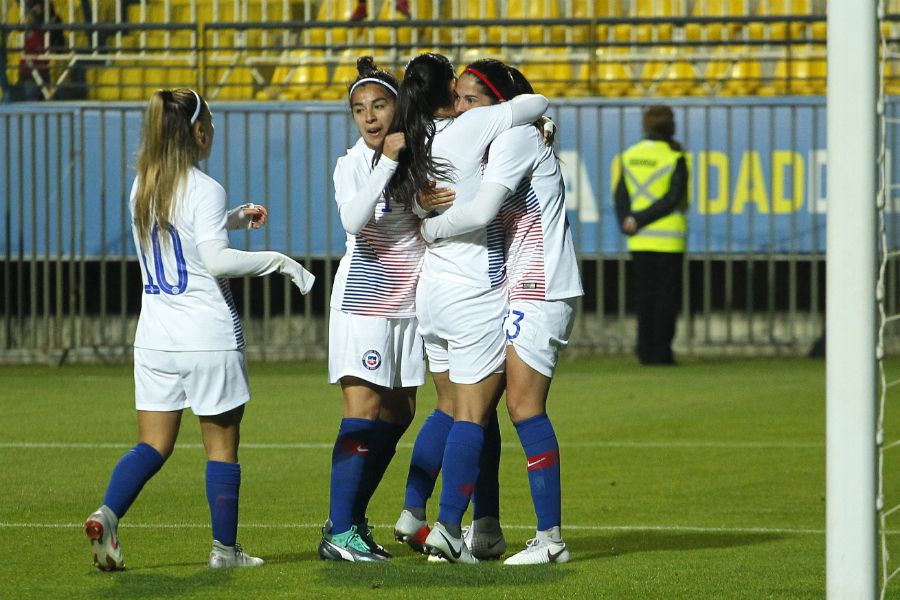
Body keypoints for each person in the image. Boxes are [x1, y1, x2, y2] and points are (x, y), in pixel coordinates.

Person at [83, 88, 315, 572]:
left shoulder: (142, 185)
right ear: (198, 131)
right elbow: (213, 259)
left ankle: (107, 513)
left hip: (155, 337)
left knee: (152, 445)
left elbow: (183, 240)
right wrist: (280, 261)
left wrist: (233, 219)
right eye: (209, 119)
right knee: (222, 447)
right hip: (207, 335)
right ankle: (225, 552)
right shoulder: (204, 187)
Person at [381, 52, 548, 564]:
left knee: (449, 406)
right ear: (450, 90)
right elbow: (535, 100)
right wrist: (542, 120)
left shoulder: (413, 137)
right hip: (473, 285)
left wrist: (425, 221)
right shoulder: (472, 124)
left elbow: (410, 204)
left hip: (431, 289)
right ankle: (450, 527)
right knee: (474, 414)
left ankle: (415, 509)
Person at [419, 61, 583, 565]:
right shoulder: (495, 143)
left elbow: (483, 210)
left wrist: (431, 227)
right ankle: (482, 528)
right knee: (479, 404)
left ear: (499, 103)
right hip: (516, 288)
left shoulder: (515, 140)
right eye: (457, 98)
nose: (460, 108)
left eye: (471, 99)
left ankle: (551, 540)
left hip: (541, 286)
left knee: (522, 407)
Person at [319, 56, 452, 563]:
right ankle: (340, 530)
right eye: (359, 110)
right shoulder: (352, 163)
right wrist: (391, 164)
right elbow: (354, 220)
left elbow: (422, 217)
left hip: (407, 306)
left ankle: (348, 520)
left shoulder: (417, 152)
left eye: (379, 105)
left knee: (400, 411)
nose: (370, 117)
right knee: (364, 410)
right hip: (364, 305)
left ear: (397, 106)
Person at [614, 105, 689, 365]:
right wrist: (642, 218)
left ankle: (644, 351)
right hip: (669, 239)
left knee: (644, 297)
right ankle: (662, 352)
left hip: (639, 238)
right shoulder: (675, 156)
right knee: (666, 299)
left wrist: (628, 220)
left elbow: (620, 194)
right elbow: (673, 197)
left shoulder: (630, 154)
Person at [17, 0, 63, 101]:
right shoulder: (26, 25)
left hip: (41, 72)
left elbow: (59, 47)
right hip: (29, 72)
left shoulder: (48, 23)